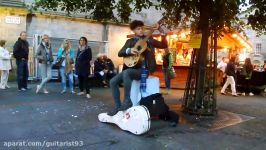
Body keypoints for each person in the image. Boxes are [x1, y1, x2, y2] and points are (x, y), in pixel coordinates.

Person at [108, 20, 168, 116]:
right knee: (112, 82)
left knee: (127, 73)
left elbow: (164, 45)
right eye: (138, 29)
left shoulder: (149, 40)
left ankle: (127, 101)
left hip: (143, 70)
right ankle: (117, 106)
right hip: (131, 68)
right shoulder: (129, 41)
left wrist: (161, 31)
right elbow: (120, 53)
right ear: (134, 31)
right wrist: (129, 50)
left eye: (142, 28)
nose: (141, 30)